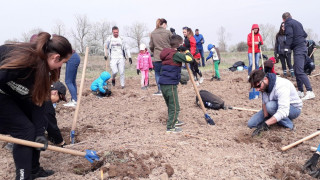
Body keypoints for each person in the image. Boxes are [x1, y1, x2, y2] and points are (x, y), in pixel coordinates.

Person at [0, 32, 72, 179]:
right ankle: (23, 177)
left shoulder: (42, 70)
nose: (61, 67)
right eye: (63, 63)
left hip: (12, 93)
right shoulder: (23, 61)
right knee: (24, 130)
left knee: (34, 127)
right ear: (55, 57)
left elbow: (39, 104)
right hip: (2, 93)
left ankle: (33, 169)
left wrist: (40, 135)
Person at [248, 70, 302, 137]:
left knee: (270, 106)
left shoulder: (281, 85)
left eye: (258, 86)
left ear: (265, 78)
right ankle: (277, 119)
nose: (257, 89)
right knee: (251, 124)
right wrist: (266, 118)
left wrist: (266, 124)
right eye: (255, 87)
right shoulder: (263, 86)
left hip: (293, 109)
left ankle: (289, 124)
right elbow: (264, 102)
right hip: (274, 107)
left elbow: (283, 111)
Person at [159, 35, 193, 133]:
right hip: (170, 83)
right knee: (175, 107)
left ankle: (174, 120)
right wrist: (186, 50)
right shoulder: (175, 54)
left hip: (163, 83)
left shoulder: (167, 53)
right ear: (179, 45)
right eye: (182, 44)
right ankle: (171, 127)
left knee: (171, 105)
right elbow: (189, 59)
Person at [282, 12, 315, 100]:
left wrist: (286, 48)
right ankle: (300, 91)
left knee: (299, 71)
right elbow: (305, 34)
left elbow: (289, 35)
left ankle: (310, 91)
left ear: (283, 19)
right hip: (302, 48)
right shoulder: (298, 23)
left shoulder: (287, 23)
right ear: (291, 17)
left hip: (299, 49)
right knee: (297, 70)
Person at [149, 18, 172, 95]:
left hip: (158, 57)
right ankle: (168, 89)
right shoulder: (168, 32)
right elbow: (173, 43)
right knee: (167, 73)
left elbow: (151, 46)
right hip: (167, 56)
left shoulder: (153, 33)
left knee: (158, 73)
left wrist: (153, 50)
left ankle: (160, 90)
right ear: (164, 24)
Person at [47, 81, 67, 147]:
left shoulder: (38, 92)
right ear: (55, 92)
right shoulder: (46, 103)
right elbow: (51, 126)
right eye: (59, 99)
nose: (58, 102)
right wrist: (60, 142)